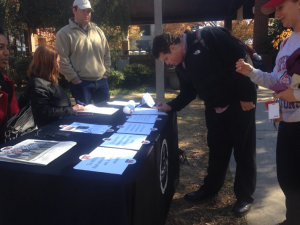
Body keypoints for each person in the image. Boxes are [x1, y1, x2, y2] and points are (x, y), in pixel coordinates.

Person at [152, 27, 257, 217]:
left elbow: (241, 58)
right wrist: (171, 106)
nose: (167, 64)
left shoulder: (207, 37)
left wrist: (247, 95)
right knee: (217, 150)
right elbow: (189, 92)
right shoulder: (181, 65)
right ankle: (210, 189)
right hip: (214, 108)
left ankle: (244, 197)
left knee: (244, 152)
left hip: (239, 104)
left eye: (166, 59)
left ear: (172, 47)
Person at [236, 1, 300, 224]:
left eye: (281, 6)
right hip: (287, 123)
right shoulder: (286, 43)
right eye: (275, 10)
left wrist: (298, 95)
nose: (277, 14)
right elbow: (275, 80)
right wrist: (251, 72)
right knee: (289, 181)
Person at [55, 0, 111, 105]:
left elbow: (106, 54)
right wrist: (75, 79)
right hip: (81, 84)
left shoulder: (98, 31)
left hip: (101, 81)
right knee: (85, 118)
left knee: (107, 117)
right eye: (83, 10)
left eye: (89, 11)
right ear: (74, 10)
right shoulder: (64, 33)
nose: (86, 14)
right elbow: (61, 60)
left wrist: (105, 73)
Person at [26, 45, 86, 128]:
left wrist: (73, 108)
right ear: (47, 64)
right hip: (50, 129)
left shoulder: (48, 80)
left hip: (62, 125)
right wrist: (72, 110)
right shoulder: (37, 84)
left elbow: (58, 104)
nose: (58, 66)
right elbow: (43, 113)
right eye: (56, 63)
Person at [0, 28, 19, 141]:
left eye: (7, 48)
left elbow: (14, 114)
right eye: (0, 48)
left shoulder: (5, 81)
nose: (7, 53)